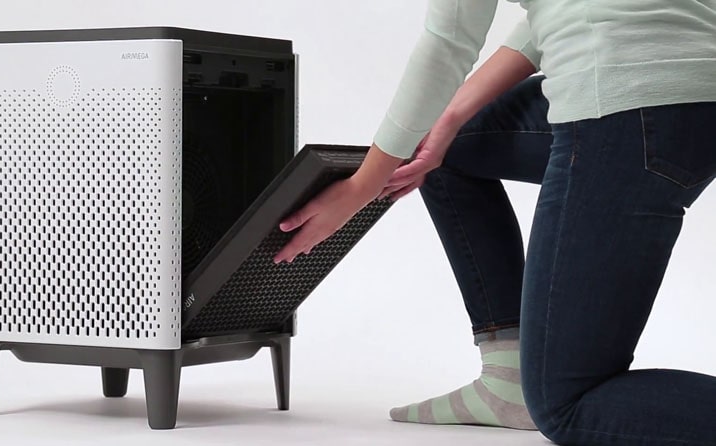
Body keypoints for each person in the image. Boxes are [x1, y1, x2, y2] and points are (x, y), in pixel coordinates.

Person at [273, 1, 716, 444]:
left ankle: (536, 392)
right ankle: (508, 377)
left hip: (622, 104)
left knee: (566, 403)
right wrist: (448, 118)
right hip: (697, 96)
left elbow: (449, 40)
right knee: (451, 146)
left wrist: (362, 186)